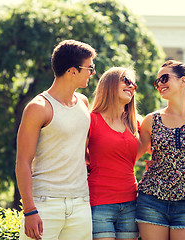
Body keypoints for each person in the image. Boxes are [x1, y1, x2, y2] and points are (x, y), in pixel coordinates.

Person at [15, 39, 97, 240]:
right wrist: (29, 210)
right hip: (45, 204)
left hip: (80, 202)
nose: (92, 73)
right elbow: (23, 162)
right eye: (90, 68)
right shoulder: (38, 107)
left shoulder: (84, 103)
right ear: (72, 71)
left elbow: (82, 149)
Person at [136, 60, 185, 240]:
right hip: (152, 199)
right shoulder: (151, 120)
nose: (160, 84)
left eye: (165, 78)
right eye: (157, 81)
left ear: (183, 81)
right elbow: (130, 156)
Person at [87, 67, 140, 240]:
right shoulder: (91, 119)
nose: (131, 86)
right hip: (100, 203)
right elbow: (77, 157)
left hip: (131, 203)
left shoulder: (136, 123)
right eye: (126, 80)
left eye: (133, 83)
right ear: (109, 84)